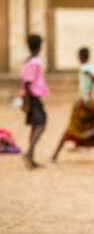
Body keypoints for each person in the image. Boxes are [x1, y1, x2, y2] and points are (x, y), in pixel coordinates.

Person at [52, 48, 94, 162]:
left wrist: (90, 91)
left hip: (88, 100)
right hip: (86, 104)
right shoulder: (90, 67)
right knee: (74, 129)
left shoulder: (84, 68)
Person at [20, 34, 49, 169]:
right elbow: (27, 82)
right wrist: (27, 103)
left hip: (29, 97)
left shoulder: (28, 60)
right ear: (39, 46)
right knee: (41, 124)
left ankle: (30, 157)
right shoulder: (35, 62)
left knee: (34, 125)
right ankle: (28, 153)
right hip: (32, 97)